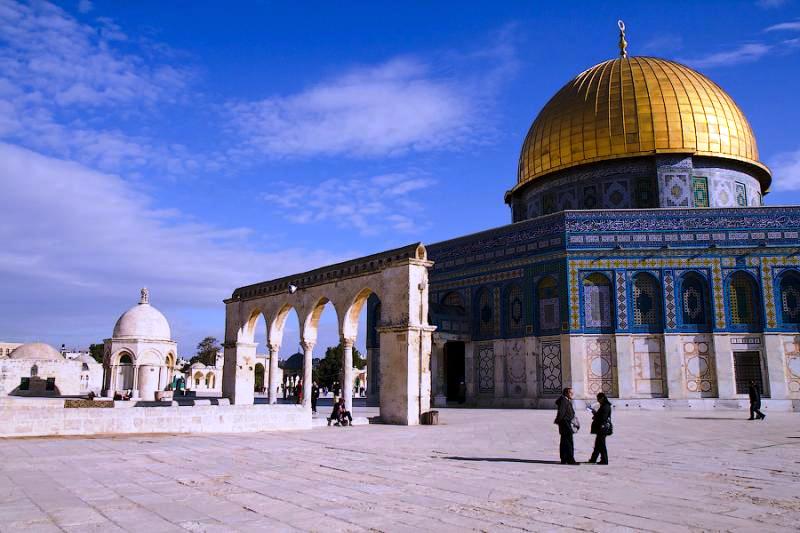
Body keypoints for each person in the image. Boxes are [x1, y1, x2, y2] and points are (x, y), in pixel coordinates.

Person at [554, 387, 578, 465]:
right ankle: (570, 459)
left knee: (564, 442)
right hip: (566, 424)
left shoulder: (565, 400)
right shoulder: (564, 401)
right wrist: (558, 421)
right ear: (566, 393)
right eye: (570, 393)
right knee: (569, 442)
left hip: (565, 423)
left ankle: (564, 459)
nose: (572, 394)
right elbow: (561, 413)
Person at [588, 392, 612, 464]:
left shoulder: (606, 406)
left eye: (598, 399)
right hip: (601, 428)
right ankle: (593, 459)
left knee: (601, 444)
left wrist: (595, 414)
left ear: (602, 398)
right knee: (598, 444)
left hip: (602, 428)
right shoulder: (604, 405)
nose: (598, 401)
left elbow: (603, 418)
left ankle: (604, 460)